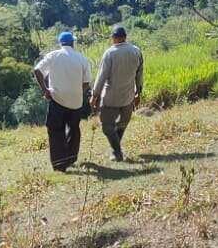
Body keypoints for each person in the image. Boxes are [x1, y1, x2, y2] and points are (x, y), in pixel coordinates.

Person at [33, 31, 92, 172]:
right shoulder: (82, 58)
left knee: (55, 131)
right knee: (74, 129)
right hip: (76, 102)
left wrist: (45, 90)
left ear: (60, 43)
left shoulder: (53, 55)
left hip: (57, 99)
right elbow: (87, 82)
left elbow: (37, 70)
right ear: (73, 43)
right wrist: (77, 92)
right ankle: (70, 159)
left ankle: (59, 164)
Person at [91, 24, 144, 162]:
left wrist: (94, 96)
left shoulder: (110, 53)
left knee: (107, 127)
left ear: (114, 38)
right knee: (122, 124)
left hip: (110, 98)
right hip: (128, 97)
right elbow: (139, 75)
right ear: (125, 37)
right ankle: (116, 150)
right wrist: (138, 93)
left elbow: (101, 76)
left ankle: (117, 152)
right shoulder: (136, 51)